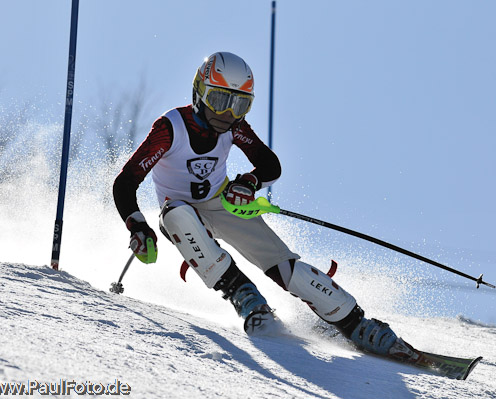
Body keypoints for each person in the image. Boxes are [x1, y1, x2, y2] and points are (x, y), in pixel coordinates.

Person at [113, 51, 412, 358]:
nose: (228, 113)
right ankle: (244, 295)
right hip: (181, 211)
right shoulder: (170, 128)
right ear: (199, 93)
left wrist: (249, 183)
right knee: (177, 216)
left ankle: (356, 324)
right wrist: (138, 225)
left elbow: (270, 165)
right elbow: (125, 182)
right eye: (219, 100)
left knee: (285, 265)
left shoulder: (234, 128)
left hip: (222, 203)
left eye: (240, 104)